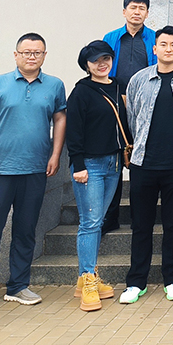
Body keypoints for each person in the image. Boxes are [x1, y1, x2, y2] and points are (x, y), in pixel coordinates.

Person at [0, 33, 67, 316]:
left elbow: (60, 119)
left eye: (37, 52)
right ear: (16, 54)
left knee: (25, 230)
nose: (32, 56)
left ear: (44, 55)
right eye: (26, 52)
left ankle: (18, 286)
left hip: (34, 170)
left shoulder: (55, 85)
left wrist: (55, 155)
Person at [120, 26, 173, 305]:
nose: (168, 49)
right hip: (143, 163)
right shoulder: (139, 79)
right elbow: (132, 117)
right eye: (163, 44)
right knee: (140, 225)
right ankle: (136, 282)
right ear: (154, 49)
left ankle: (172, 279)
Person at [65, 40, 128, 311]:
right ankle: (88, 279)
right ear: (87, 65)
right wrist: (78, 165)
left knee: (98, 221)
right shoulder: (81, 92)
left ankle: (85, 279)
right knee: (90, 222)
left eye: (106, 59)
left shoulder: (118, 86)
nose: (102, 64)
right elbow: (73, 131)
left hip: (114, 164)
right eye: (95, 61)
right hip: (89, 165)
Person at [101, 0, 156, 234]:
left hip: (145, 107)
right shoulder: (110, 38)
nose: (137, 12)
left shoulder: (154, 38)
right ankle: (110, 217)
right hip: (115, 105)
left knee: (140, 163)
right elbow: (102, 69)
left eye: (141, 8)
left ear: (147, 13)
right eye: (133, 7)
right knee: (114, 160)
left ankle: (139, 218)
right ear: (124, 11)